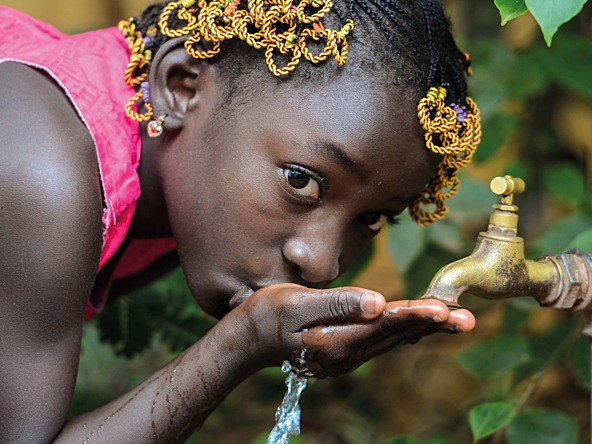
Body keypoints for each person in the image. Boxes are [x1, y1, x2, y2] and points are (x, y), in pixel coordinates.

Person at [0, 0, 480, 442]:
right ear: (182, 86)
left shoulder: (184, 185)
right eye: (301, 181)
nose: (321, 265)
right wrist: (241, 345)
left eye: (372, 216)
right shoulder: (42, 174)